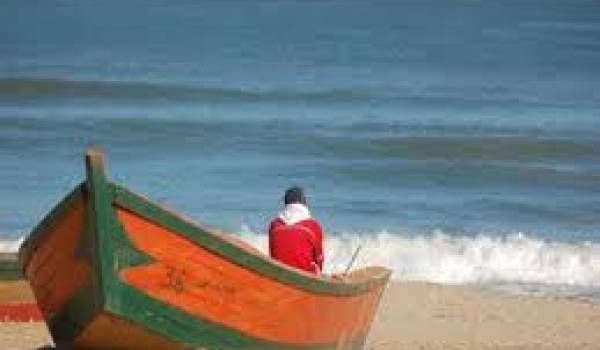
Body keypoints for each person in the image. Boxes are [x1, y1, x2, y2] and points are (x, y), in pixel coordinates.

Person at [268, 186, 324, 275]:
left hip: (278, 274)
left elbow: (272, 255)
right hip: (306, 274)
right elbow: (319, 259)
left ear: (285, 203)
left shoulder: (274, 224)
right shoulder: (313, 226)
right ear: (304, 203)